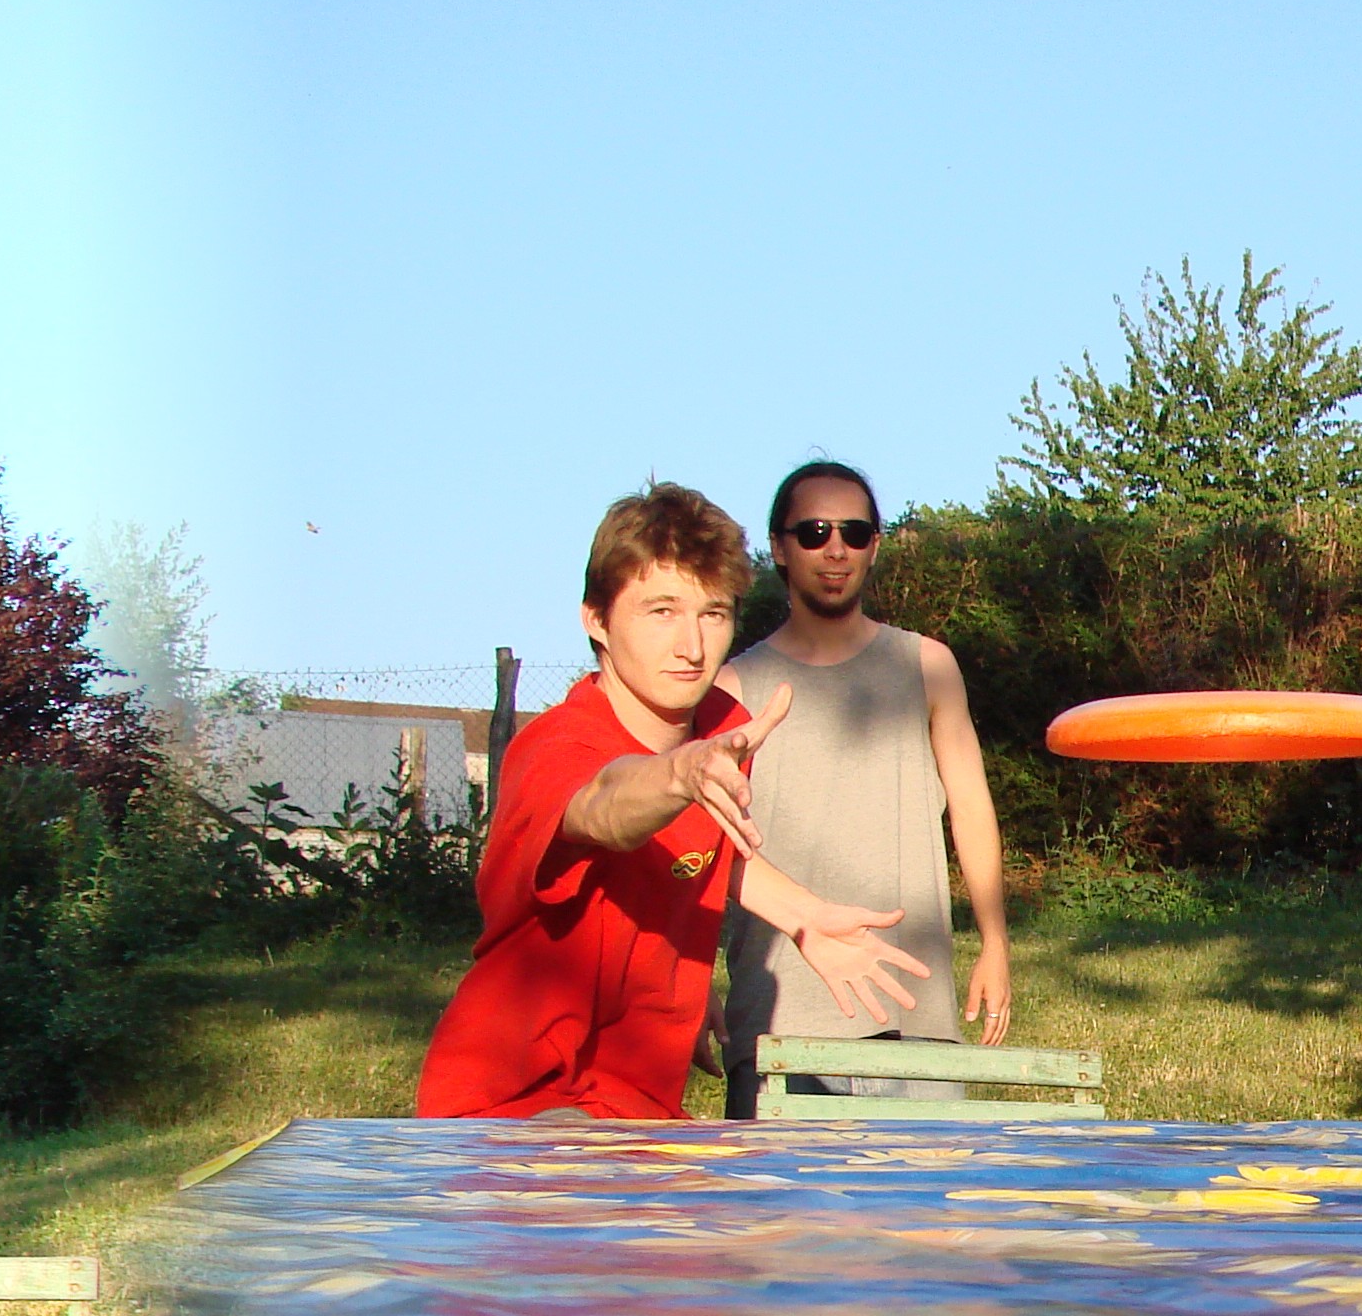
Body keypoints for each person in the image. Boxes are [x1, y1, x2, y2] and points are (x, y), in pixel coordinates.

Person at [416, 483, 929, 1120]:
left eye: (713, 613)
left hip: (637, 1105)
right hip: (518, 1105)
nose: (692, 646)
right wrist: (680, 773)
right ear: (596, 619)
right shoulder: (555, 747)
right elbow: (604, 807)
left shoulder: (721, 725)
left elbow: (706, 849)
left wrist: (805, 916)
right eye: (661, 611)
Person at [717, 460, 1010, 1112]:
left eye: (853, 532)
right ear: (779, 548)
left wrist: (994, 943)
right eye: (814, 531)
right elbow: (701, 851)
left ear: (874, 546)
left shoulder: (927, 666)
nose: (835, 550)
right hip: (780, 1024)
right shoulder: (731, 689)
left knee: (927, 1185)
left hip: (916, 1018)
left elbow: (970, 808)